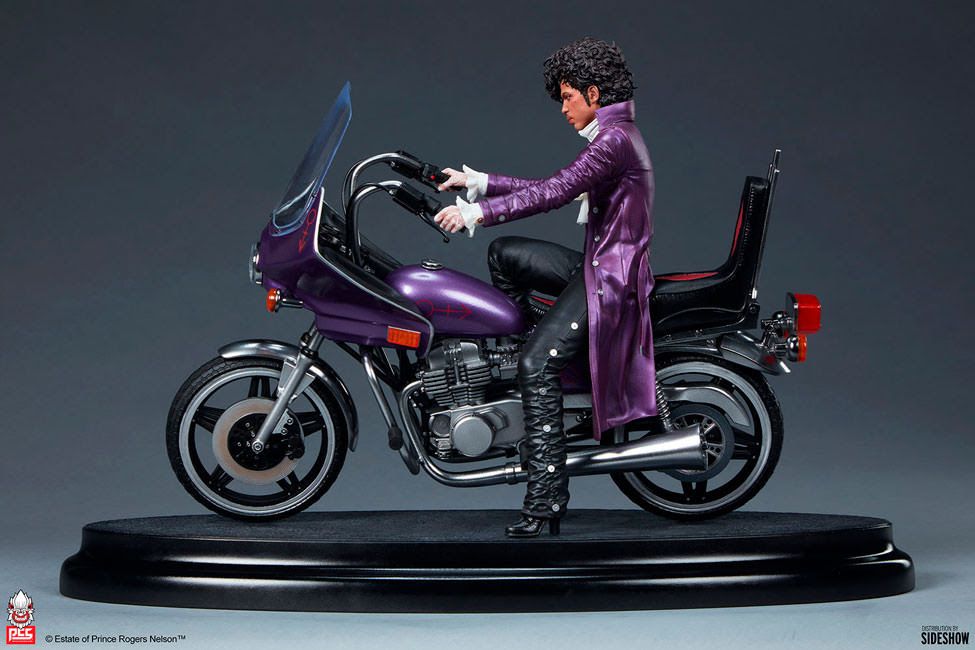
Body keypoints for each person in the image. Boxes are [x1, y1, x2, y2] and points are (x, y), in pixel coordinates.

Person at [434, 37, 658, 538]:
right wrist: (480, 183)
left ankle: (546, 500)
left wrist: (476, 214)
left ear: (593, 93)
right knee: (505, 254)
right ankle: (525, 355)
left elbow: (556, 191)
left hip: (610, 279)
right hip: (600, 263)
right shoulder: (613, 135)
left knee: (537, 366)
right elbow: (558, 183)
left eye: (567, 96)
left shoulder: (615, 141)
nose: (563, 108)